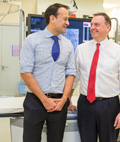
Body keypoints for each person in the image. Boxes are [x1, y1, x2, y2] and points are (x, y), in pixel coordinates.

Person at [72, 12, 120, 142]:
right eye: (92, 24)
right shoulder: (81, 49)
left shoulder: (119, 52)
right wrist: (67, 99)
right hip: (85, 103)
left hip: (109, 105)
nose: (93, 27)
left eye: (97, 24)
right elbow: (75, 77)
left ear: (108, 28)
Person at [20, 3, 76, 142]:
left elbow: (70, 73)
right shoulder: (32, 40)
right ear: (52, 18)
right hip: (35, 101)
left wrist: (65, 99)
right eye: (65, 19)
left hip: (59, 103)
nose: (67, 23)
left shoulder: (68, 45)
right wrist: (44, 100)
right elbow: (25, 72)